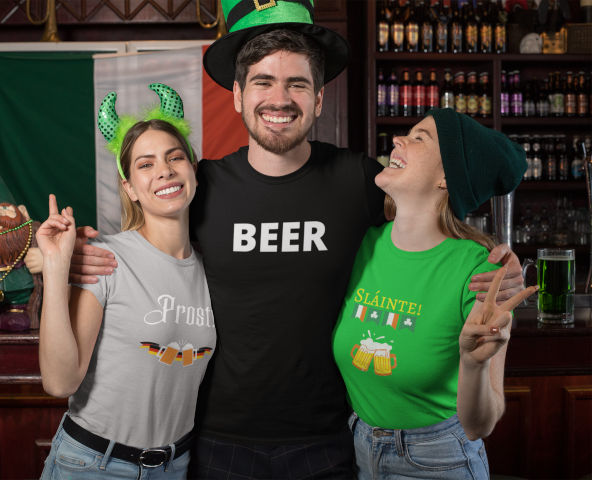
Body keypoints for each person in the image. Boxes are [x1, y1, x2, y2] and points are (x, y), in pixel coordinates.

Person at [68, 3, 526, 478]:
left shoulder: (361, 180)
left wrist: (497, 259)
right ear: (238, 96)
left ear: (320, 99)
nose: (279, 99)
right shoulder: (203, 186)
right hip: (219, 437)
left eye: (297, 84)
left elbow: (433, 212)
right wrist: (67, 261)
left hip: (330, 439)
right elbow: (141, 247)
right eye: (263, 83)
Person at [333, 109, 536, 479]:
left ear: (447, 177)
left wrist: (473, 365)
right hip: (357, 450)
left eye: (419, 138)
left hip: (437, 459)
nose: (398, 140)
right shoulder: (364, 243)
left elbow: (480, 425)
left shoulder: (482, 271)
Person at [38, 84, 215, 478]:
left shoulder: (214, 272)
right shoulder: (105, 259)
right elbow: (59, 381)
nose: (165, 170)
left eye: (174, 158)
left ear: (194, 171)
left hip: (176, 464)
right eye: (145, 164)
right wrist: (55, 267)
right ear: (130, 188)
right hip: (93, 465)